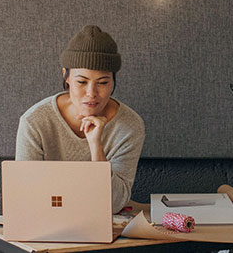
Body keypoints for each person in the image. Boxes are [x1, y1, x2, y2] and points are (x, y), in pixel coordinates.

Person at [15, 25, 145, 214]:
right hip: (46, 219)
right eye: (81, 82)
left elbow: (114, 204)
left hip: (104, 223)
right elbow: (25, 195)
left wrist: (96, 147)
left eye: (103, 82)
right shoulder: (35, 121)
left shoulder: (130, 126)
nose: (91, 94)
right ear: (65, 76)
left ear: (113, 81)